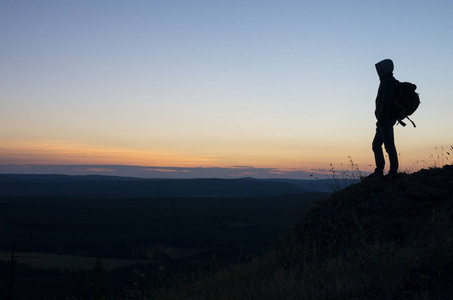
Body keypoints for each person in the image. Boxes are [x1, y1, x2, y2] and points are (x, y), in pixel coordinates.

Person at [370, 59, 399, 179]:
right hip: (384, 119)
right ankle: (380, 170)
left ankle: (392, 172)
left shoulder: (387, 82)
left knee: (388, 146)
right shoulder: (388, 81)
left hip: (385, 119)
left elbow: (385, 102)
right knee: (377, 145)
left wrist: (380, 117)